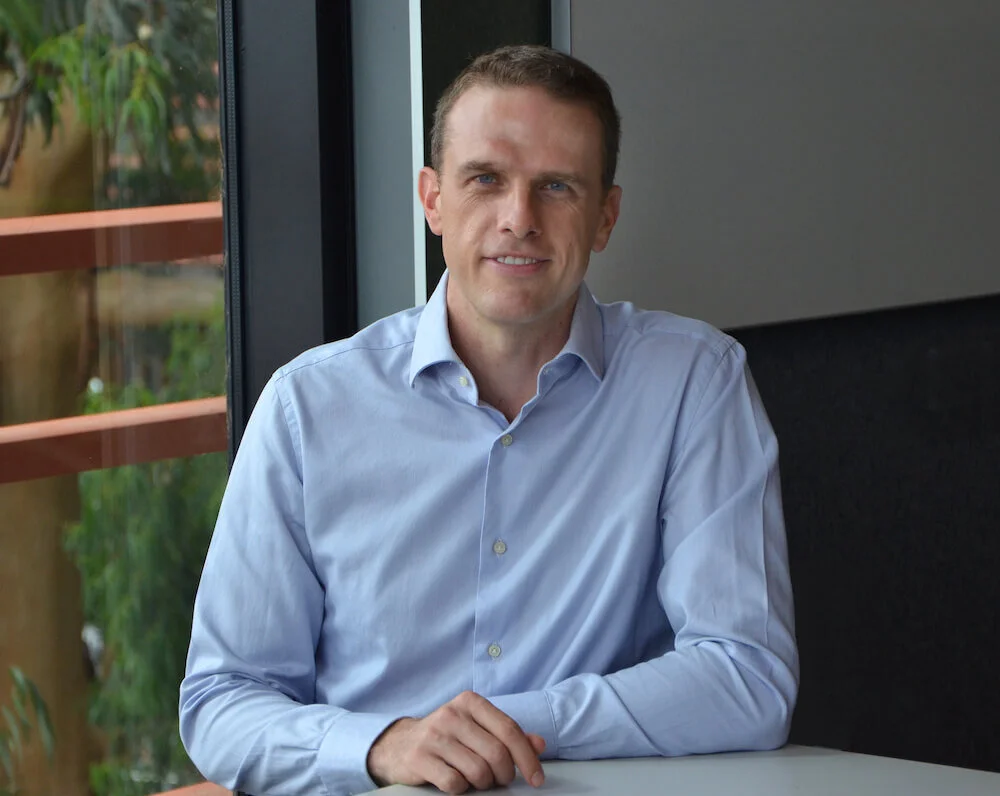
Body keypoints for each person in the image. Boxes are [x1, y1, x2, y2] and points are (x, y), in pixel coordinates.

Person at [180, 44, 798, 796]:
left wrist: (502, 727)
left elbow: (746, 675)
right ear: (433, 200)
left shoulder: (694, 383)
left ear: (605, 217)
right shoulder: (305, 407)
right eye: (485, 180)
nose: (519, 219)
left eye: (557, 187)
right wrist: (384, 745)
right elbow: (222, 701)